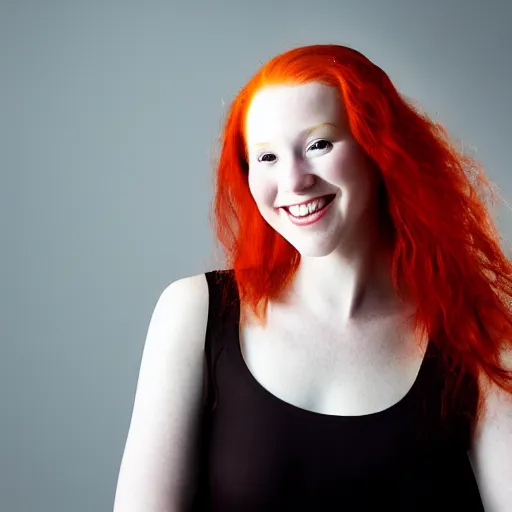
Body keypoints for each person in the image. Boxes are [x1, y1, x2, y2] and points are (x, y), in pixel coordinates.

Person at [113, 44, 512, 511]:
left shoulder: (479, 336)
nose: (294, 181)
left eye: (318, 145)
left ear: (379, 149)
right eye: (266, 158)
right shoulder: (195, 312)